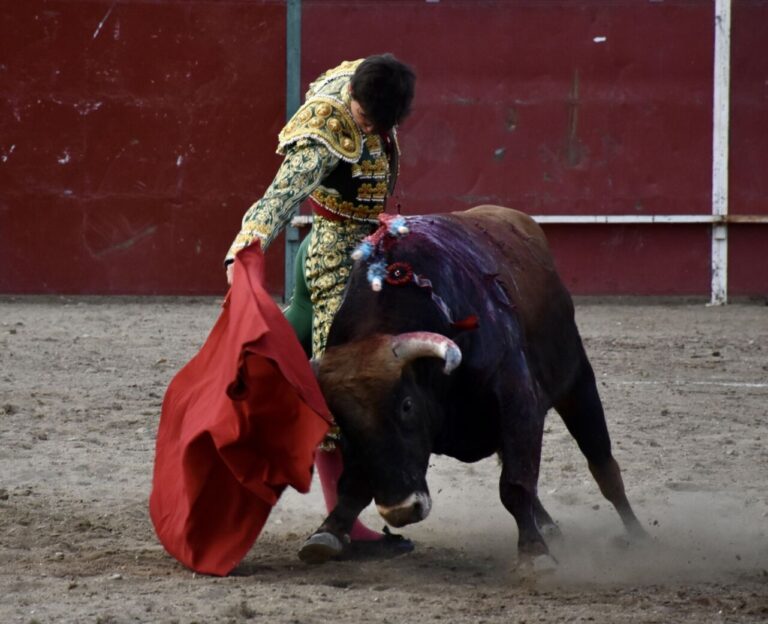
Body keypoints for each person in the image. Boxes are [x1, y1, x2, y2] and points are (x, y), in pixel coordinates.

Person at [224, 54, 416, 558]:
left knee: (273, 361)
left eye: (378, 121)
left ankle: (229, 420)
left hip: (347, 250)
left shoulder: (372, 83)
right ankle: (345, 526)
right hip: (336, 263)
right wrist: (248, 242)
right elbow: (282, 193)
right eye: (364, 114)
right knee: (341, 389)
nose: (366, 125)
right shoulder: (329, 127)